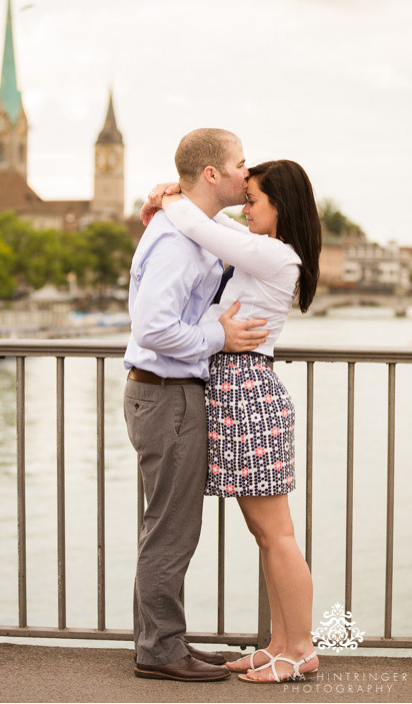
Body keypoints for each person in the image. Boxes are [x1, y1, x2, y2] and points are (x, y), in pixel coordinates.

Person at [141, 158, 322, 683]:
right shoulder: (266, 250)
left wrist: (170, 200)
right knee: (267, 534)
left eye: (255, 200)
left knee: (277, 534)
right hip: (238, 390)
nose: (246, 208)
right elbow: (217, 227)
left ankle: (301, 649)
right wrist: (177, 197)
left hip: (247, 391)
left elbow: (204, 227)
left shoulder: (274, 255)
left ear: (280, 207)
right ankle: (281, 643)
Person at [123, 128, 271, 682]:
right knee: (172, 528)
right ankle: (160, 650)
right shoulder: (179, 241)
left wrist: (169, 199)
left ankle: (161, 640)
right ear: (212, 174)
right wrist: (220, 339)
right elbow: (154, 326)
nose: (246, 173)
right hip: (168, 396)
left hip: (167, 396)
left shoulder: (194, 229)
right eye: (239, 164)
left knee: (167, 524)